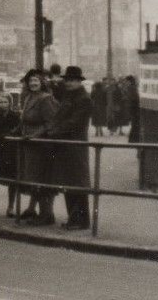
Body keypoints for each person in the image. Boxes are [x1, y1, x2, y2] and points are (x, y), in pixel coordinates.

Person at [45, 66, 93, 230]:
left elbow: (74, 123)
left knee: (77, 182)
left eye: (73, 80)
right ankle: (74, 218)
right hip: (66, 145)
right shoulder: (69, 96)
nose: (69, 83)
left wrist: (54, 132)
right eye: (68, 80)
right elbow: (59, 117)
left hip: (75, 146)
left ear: (80, 81)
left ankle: (82, 220)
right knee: (68, 181)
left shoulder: (83, 99)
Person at [17, 69, 58, 225]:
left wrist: (35, 136)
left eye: (36, 81)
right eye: (31, 81)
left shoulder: (46, 99)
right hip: (29, 144)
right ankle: (32, 209)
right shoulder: (29, 97)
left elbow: (51, 123)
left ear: (42, 82)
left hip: (42, 146)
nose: (33, 83)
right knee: (32, 177)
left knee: (41, 177)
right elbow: (24, 120)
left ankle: (47, 214)